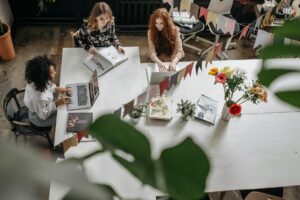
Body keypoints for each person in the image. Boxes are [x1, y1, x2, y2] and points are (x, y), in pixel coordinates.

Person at [24, 55, 71, 127]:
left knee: (64, 107)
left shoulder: (35, 81)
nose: (55, 73)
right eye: (52, 73)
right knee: (64, 116)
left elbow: (48, 85)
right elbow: (43, 115)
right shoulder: (38, 98)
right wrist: (56, 103)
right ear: (43, 78)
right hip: (39, 118)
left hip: (41, 106)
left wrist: (56, 88)